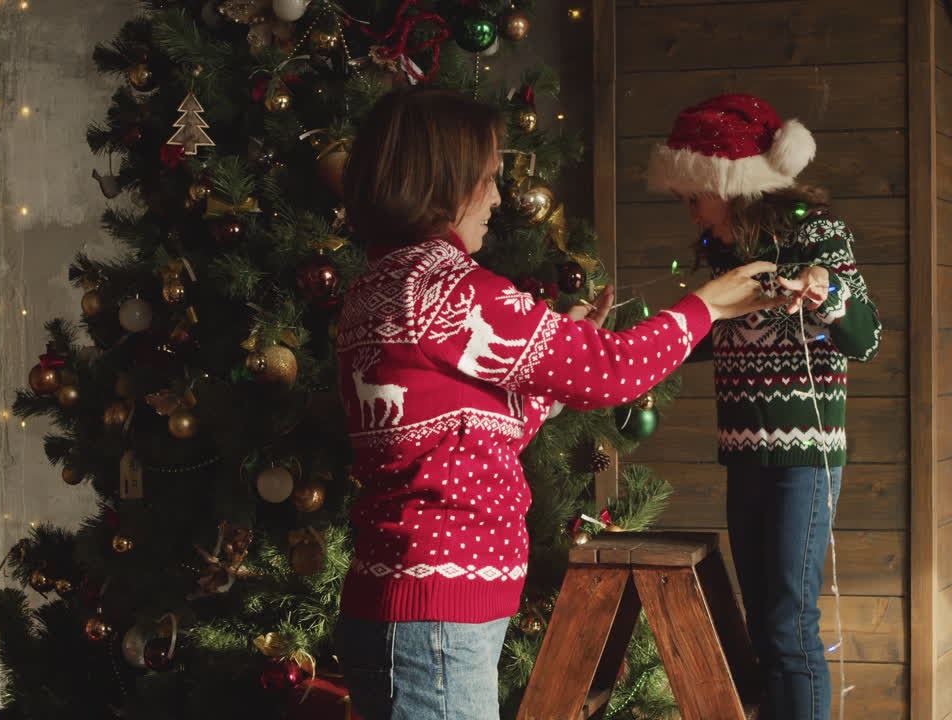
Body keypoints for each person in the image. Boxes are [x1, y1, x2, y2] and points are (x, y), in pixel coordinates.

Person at [331, 87, 790, 720]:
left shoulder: (386, 282)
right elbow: (614, 370)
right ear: (442, 181)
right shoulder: (446, 288)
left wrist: (544, 360)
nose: (497, 198)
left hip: (417, 604)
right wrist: (705, 306)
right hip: (434, 616)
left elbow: (467, 429)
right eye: (488, 179)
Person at [647, 93, 882, 720]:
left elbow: (865, 336)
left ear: (734, 186)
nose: (691, 211)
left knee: (788, 628)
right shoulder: (727, 252)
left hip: (804, 461)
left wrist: (828, 294)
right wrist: (630, 336)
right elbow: (704, 335)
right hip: (746, 456)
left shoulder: (817, 232)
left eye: (696, 196)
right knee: (766, 627)